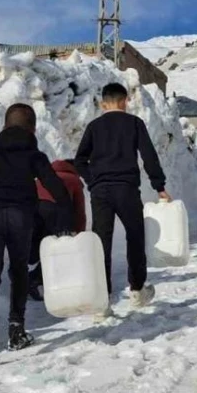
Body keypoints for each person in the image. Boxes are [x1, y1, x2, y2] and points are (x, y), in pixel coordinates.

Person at [0, 103, 74, 362]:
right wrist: (65, 221)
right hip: (20, 216)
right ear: (32, 128)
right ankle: (16, 329)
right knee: (19, 270)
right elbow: (56, 188)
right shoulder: (34, 154)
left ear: (4, 125)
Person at [74, 83, 171, 311]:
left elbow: (79, 161)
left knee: (101, 243)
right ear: (125, 100)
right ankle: (137, 290)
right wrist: (160, 186)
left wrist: (93, 180)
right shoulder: (134, 123)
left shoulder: (94, 127)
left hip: (100, 193)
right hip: (126, 189)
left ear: (102, 103)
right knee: (135, 237)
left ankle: (102, 300)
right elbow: (149, 156)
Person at [28, 159, 87, 302]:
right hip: (56, 210)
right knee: (57, 247)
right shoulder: (74, 180)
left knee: (33, 247)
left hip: (32, 210)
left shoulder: (42, 177)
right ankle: (35, 279)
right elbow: (78, 211)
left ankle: (20, 276)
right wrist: (78, 235)